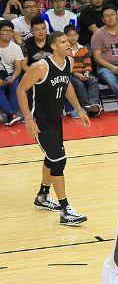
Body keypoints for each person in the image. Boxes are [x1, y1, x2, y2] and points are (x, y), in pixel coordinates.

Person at [17, 31, 90, 224]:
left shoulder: (69, 62)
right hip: (40, 121)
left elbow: (67, 86)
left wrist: (79, 109)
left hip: (56, 119)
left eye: (68, 40)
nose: (68, 43)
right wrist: (28, 119)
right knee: (59, 160)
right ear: (54, 46)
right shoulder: (40, 67)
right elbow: (21, 89)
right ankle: (65, 210)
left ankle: (42, 195)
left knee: (52, 157)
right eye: (63, 41)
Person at [64, 24, 102, 117]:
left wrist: (87, 72)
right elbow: (66, 66)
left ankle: (93, 103)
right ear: (65, 36)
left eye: (75, 34)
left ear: (78, 36)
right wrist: (76, 74)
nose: (73, 37)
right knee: (78, 84)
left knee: (93, 80)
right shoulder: (65, 50)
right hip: (72, 74)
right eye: (70, 35)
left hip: (84, 72)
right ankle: (87, 106)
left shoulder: (83, 48)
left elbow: (88, 63)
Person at [0, 20, 23, 125]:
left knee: (16, 84)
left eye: (11, 31)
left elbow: (18, 68)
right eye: (5, 30)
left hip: (10, 74)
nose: (8, 33)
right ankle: (12, 114)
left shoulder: (16, 48)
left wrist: (13, 77)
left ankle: (13, 113)